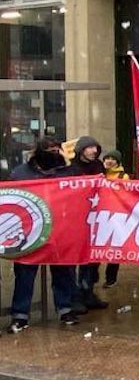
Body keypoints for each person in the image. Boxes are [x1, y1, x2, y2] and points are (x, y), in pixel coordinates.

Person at [6, 139, 80, 331]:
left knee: (62, 270)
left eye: (57, 150)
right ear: (39, 152)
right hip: (29, 231)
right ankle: (20, 315)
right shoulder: (21, 173)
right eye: (50, 151)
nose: (54, 154)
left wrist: (68, 163)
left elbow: (79, 188)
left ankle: (65, 309)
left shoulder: (66, 171)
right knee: (25, 273)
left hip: (59, 228)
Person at [67, 136, 109, 311]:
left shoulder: (98, 166)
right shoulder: (71, 167)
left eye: (95, 148)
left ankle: (88, 292)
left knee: (92, 259)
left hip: (95, 216)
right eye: (89, 148)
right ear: (81, 149)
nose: (93, 151)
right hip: (75, 217)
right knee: (75, 258)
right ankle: (74, 296)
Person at [100, 151, 130, 287]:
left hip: (116, 215)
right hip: (100, 215)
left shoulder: (124, 176)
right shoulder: (100, 174)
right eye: (107, 158)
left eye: (113, 159)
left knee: (114, 248)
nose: (109, 161)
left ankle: (110, 278)